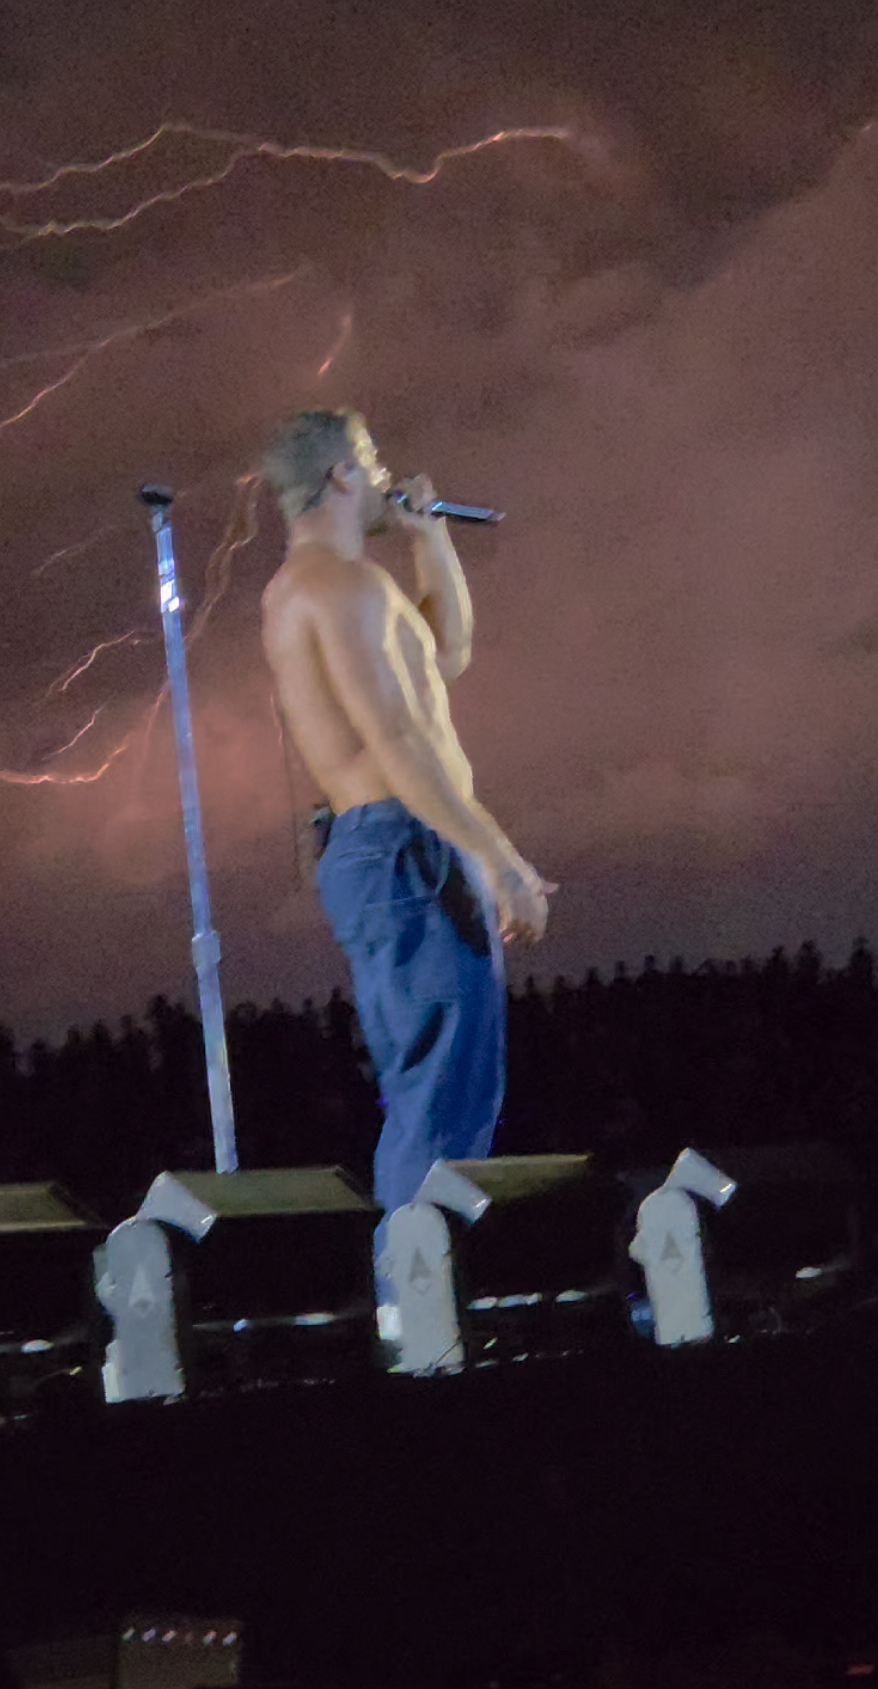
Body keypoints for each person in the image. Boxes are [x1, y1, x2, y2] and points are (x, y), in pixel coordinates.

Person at [260, 409, 555, 1299]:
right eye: (373, 459)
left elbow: (444, 656)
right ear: (342, 475)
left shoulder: (349, 586)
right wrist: (496, 855)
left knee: (451, 1087)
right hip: (404, 845)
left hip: (400, 846)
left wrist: (431, 543)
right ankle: (415, 1310)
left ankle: (428, 1301)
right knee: (438, 1092)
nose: (388, 474)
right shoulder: (334, 586)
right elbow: (394, 736)